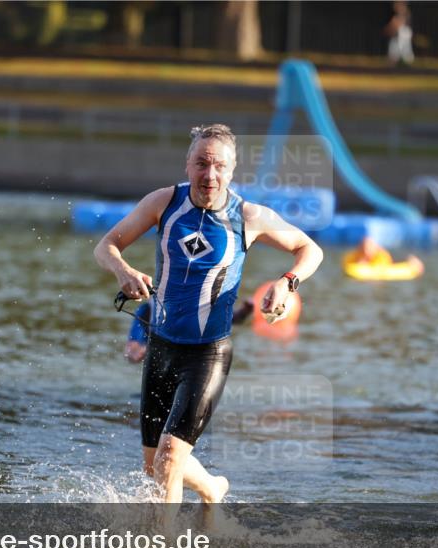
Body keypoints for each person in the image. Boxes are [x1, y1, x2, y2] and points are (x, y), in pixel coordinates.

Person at [94, 123, 324, 504]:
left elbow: (309, 249)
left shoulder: (249, 217)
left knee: (169, 459)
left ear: (232, 171)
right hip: (161, 348)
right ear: (187, 165)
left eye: (219, 166)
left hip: (207, 354)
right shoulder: (163, 203)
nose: (210, 174)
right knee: (155, 467)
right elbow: (106, 246)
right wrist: (124, 271)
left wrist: (286, 283)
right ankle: (212, 488)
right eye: (201, 163)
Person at [124, 298, 255, 363]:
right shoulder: (146, 309)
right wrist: (141, 352)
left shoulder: (199, 302)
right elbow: (132, 351)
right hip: (162, 361)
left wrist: (244, 311)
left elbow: (229, 319)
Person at [384, 1, 415, 66]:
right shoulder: (398, 16)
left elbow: (396, 25)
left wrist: (392, 28)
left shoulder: (404, 14)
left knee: (405, 59)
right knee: (393, 59)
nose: (395, 6)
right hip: (397, 38)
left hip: (401, 39)